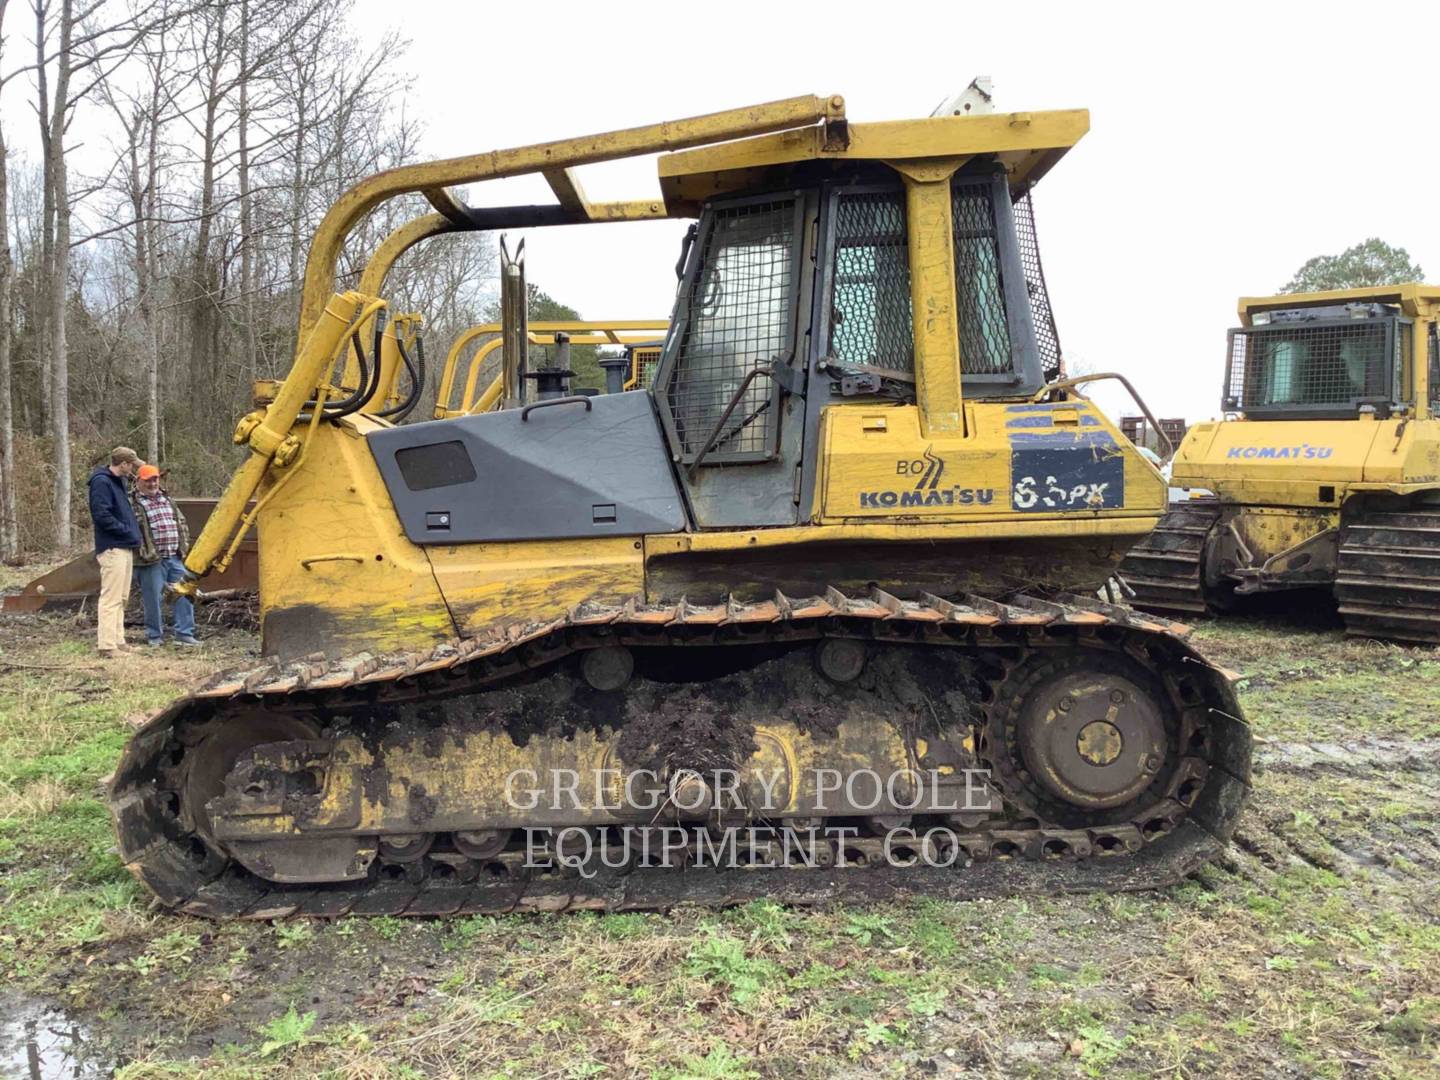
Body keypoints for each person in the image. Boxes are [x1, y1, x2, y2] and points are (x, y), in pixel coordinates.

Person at [130, 464, 200, 647]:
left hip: (174, 556)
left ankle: (184, 634)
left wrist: (183, 548)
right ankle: (154, 636)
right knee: (153, 598)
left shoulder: (167, 499)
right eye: (148, 481)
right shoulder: (133, 503)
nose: (152, 484)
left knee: (184, 593)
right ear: (138, 481)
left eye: (155, 479)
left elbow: (180, 523)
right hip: (151, 560)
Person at [88, 446, 143, 658]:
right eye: (132, 465)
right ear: (123, 464)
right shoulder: (101, 482)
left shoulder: (116, 482)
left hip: (124, 545)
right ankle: (107, 645)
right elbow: (101, 515)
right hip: (113, 546)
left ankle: (118, 641)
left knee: (122, 597)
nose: (133, 470)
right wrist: (126, 531)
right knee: (111, 597)